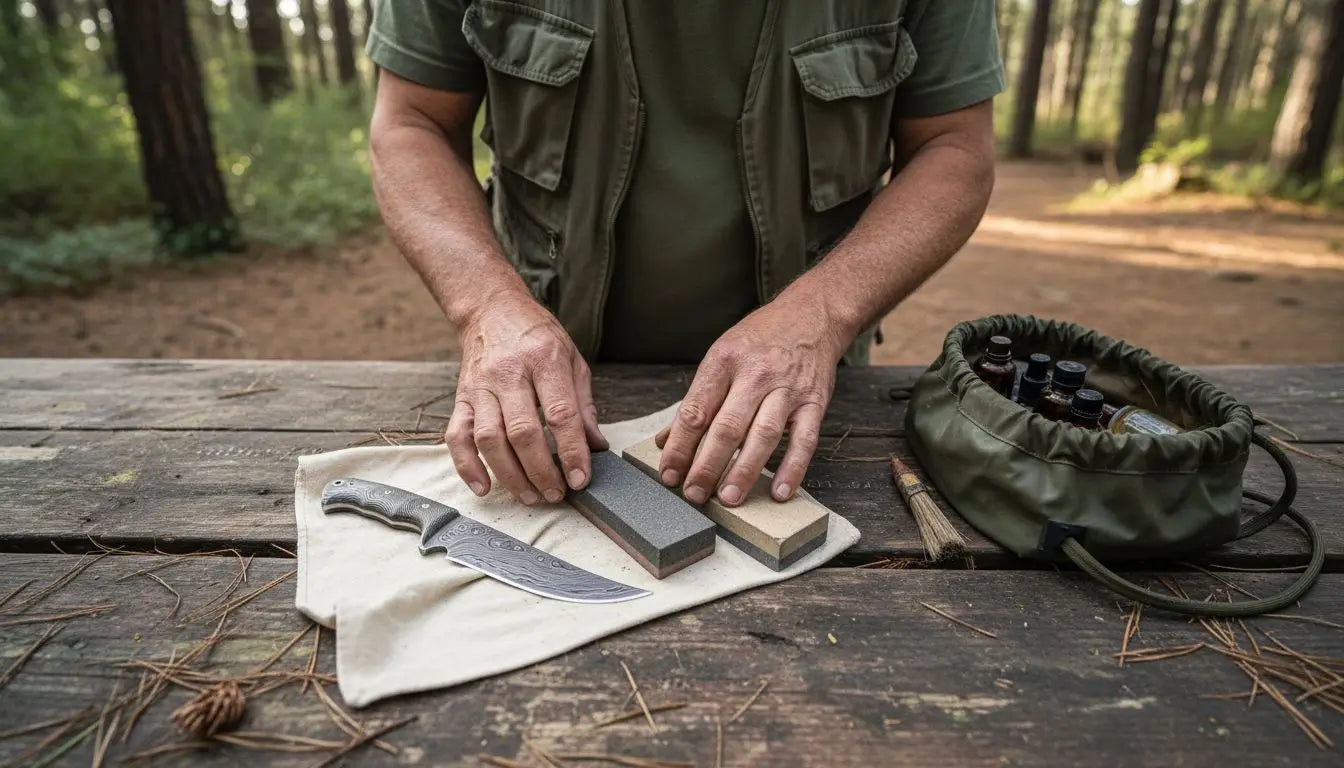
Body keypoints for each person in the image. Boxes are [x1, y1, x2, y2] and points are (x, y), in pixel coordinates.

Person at [367, 0, 1002, 511]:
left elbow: (954, 147)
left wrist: (821, 314)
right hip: (543, 372)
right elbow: (411, 124)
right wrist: (487, 307)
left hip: (803, 388)